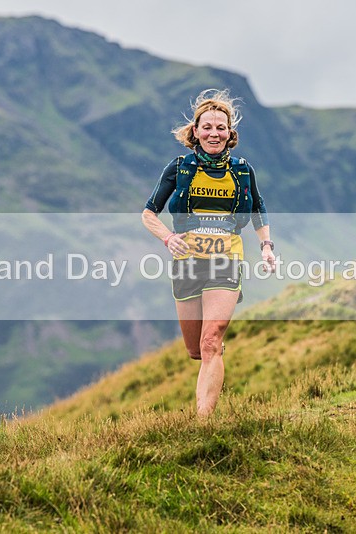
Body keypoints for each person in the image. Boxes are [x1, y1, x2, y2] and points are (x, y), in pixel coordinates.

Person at [142, 88, 275, 417]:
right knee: (195, 349)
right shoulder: (179, 168)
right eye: (207, 127)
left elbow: (258, 209)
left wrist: (266, 246)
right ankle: (212, 354)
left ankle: (204, 423)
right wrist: (168, 238)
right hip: (187, 262)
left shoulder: (243, 170)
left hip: (226, 258)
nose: (214, 133)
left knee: (210, 340)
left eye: (221, 127)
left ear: (230, 133)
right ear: (195, 131)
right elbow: (148, 214)